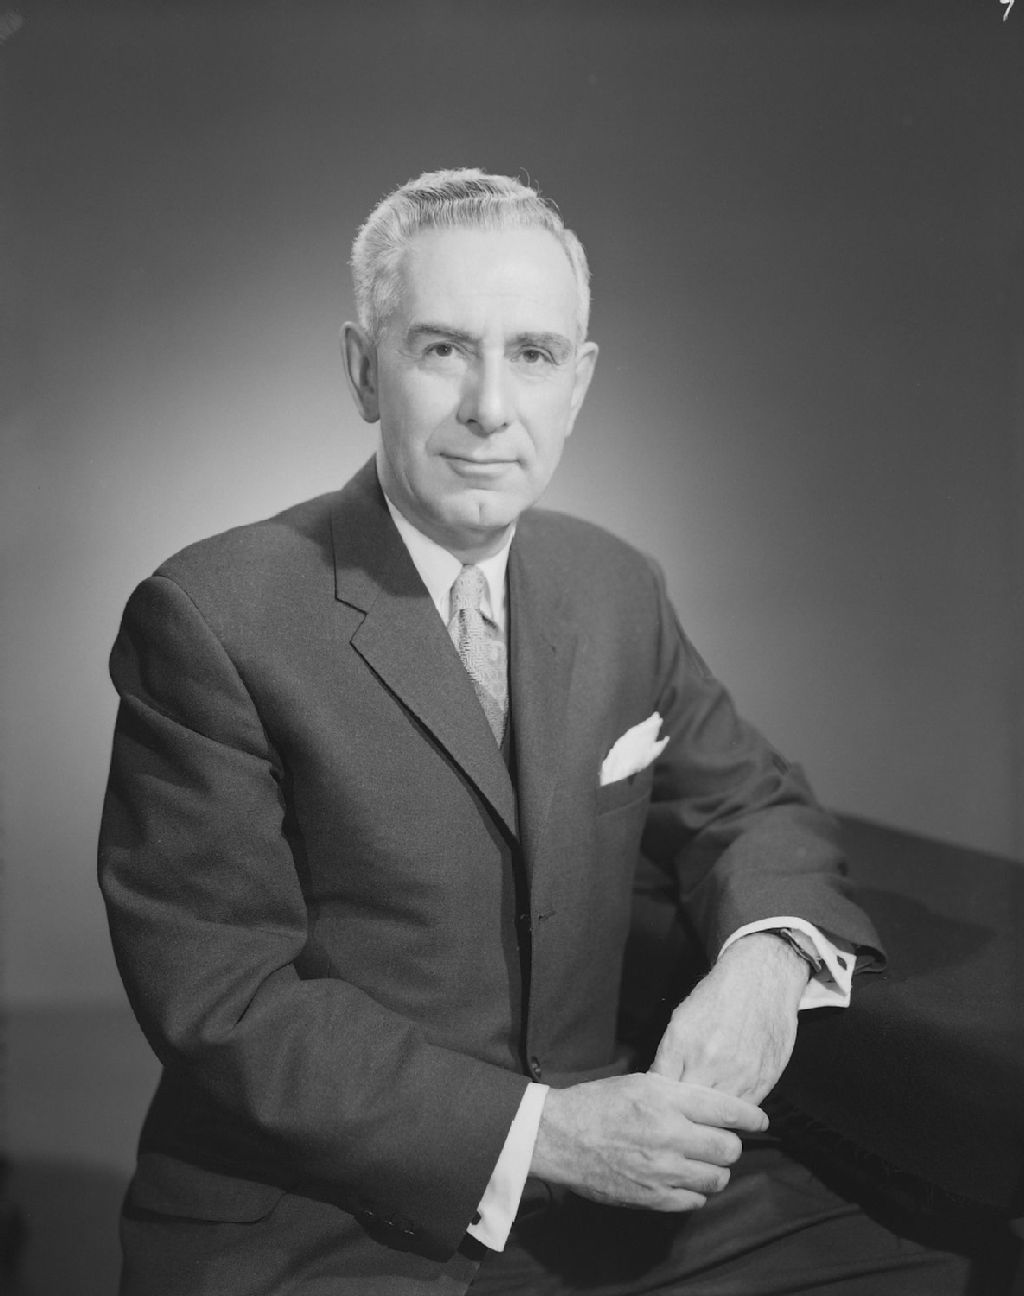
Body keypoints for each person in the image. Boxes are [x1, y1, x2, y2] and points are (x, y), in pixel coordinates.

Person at [98, 168, 969, 1294]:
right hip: (324, 1222)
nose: (490, 408)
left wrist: (765, 964)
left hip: (604, 1203)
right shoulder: (214, 615)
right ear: (364, 371)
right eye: (443, 349)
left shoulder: (615, 585)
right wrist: (543, 1135)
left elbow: (753, 805)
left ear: (579, 383)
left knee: (943, 1266)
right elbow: (225, 999)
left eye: (534, 355)